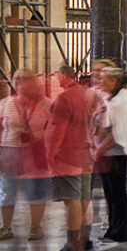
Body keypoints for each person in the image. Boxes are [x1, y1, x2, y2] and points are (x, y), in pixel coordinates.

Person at [47, 65, 100, 251]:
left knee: (72, 200)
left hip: (69, 155)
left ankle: (73, 243)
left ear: (64, 75)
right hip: (86, 152)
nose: (56, 79)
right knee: (85, 198)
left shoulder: (64, 98)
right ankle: (85, 241)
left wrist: (51, 155)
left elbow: (56, 131)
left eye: (57, 75)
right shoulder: (86, 95)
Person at [0, 70, 48, 241]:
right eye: (17, 79)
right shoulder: (6, 103)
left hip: (34, 152)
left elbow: (56, 129)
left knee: (35, 189)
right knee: (7, 189)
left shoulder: (45, 104)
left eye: (25, 79)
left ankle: (35, 227)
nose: (20, 83)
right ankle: (6, 227)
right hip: (9, 150)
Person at [93, 67, 127, 243]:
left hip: (114, 153)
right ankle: (113, 229)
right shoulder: (115, 97)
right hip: (108, 153)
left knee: (117, 193)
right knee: (111, 193)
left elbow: (115, 133)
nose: (100, 82)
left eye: (104, 79)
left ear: (114, 81)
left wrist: (98, 150)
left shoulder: (120, 101)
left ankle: (120, 232)